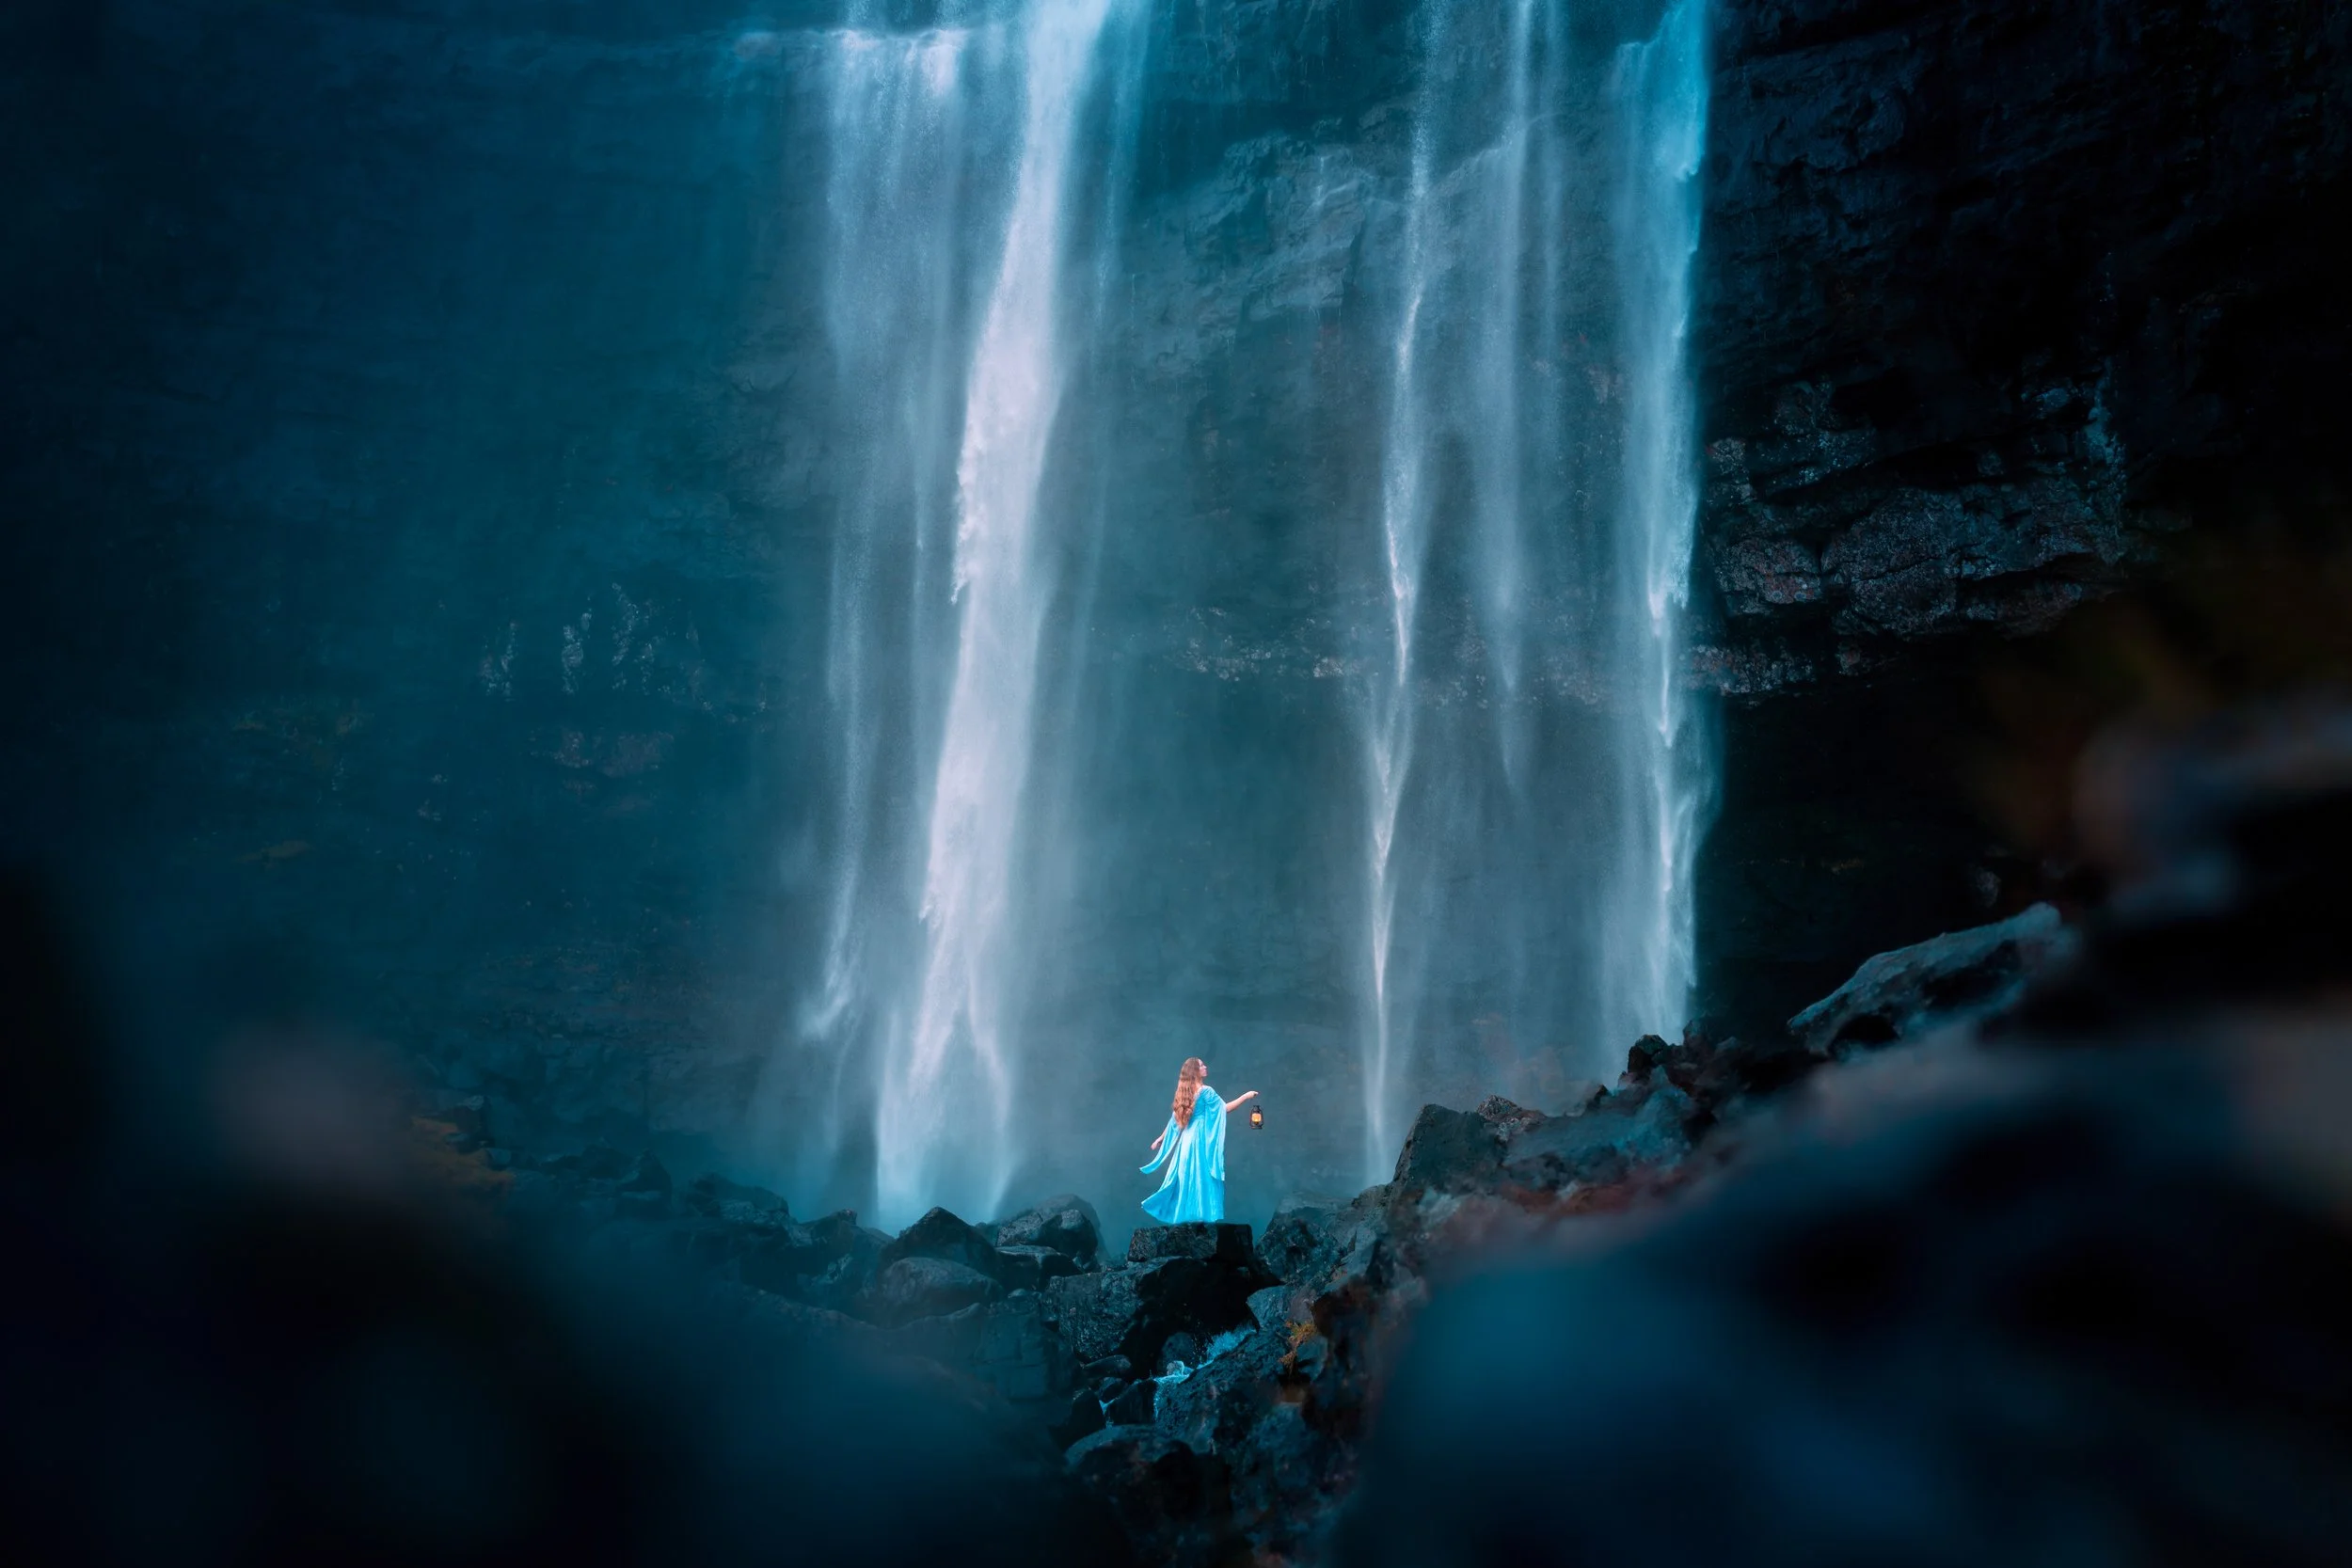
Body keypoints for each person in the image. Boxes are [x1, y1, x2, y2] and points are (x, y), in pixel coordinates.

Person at [1139, 1057, 1258, 1225]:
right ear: (1195, 1071)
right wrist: (1246, 1096)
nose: (1205, 1067)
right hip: (1200, 1139)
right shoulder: (1205, 1091)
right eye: (1201, 1065)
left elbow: (1175, 1120)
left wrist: (1161, 1138)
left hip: (1186, 1141)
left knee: (1189, 1175)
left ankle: (1190, 1217)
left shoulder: (1186, 1094)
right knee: (1202, 1176)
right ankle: (1201, 1216)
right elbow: (1224, 1109)